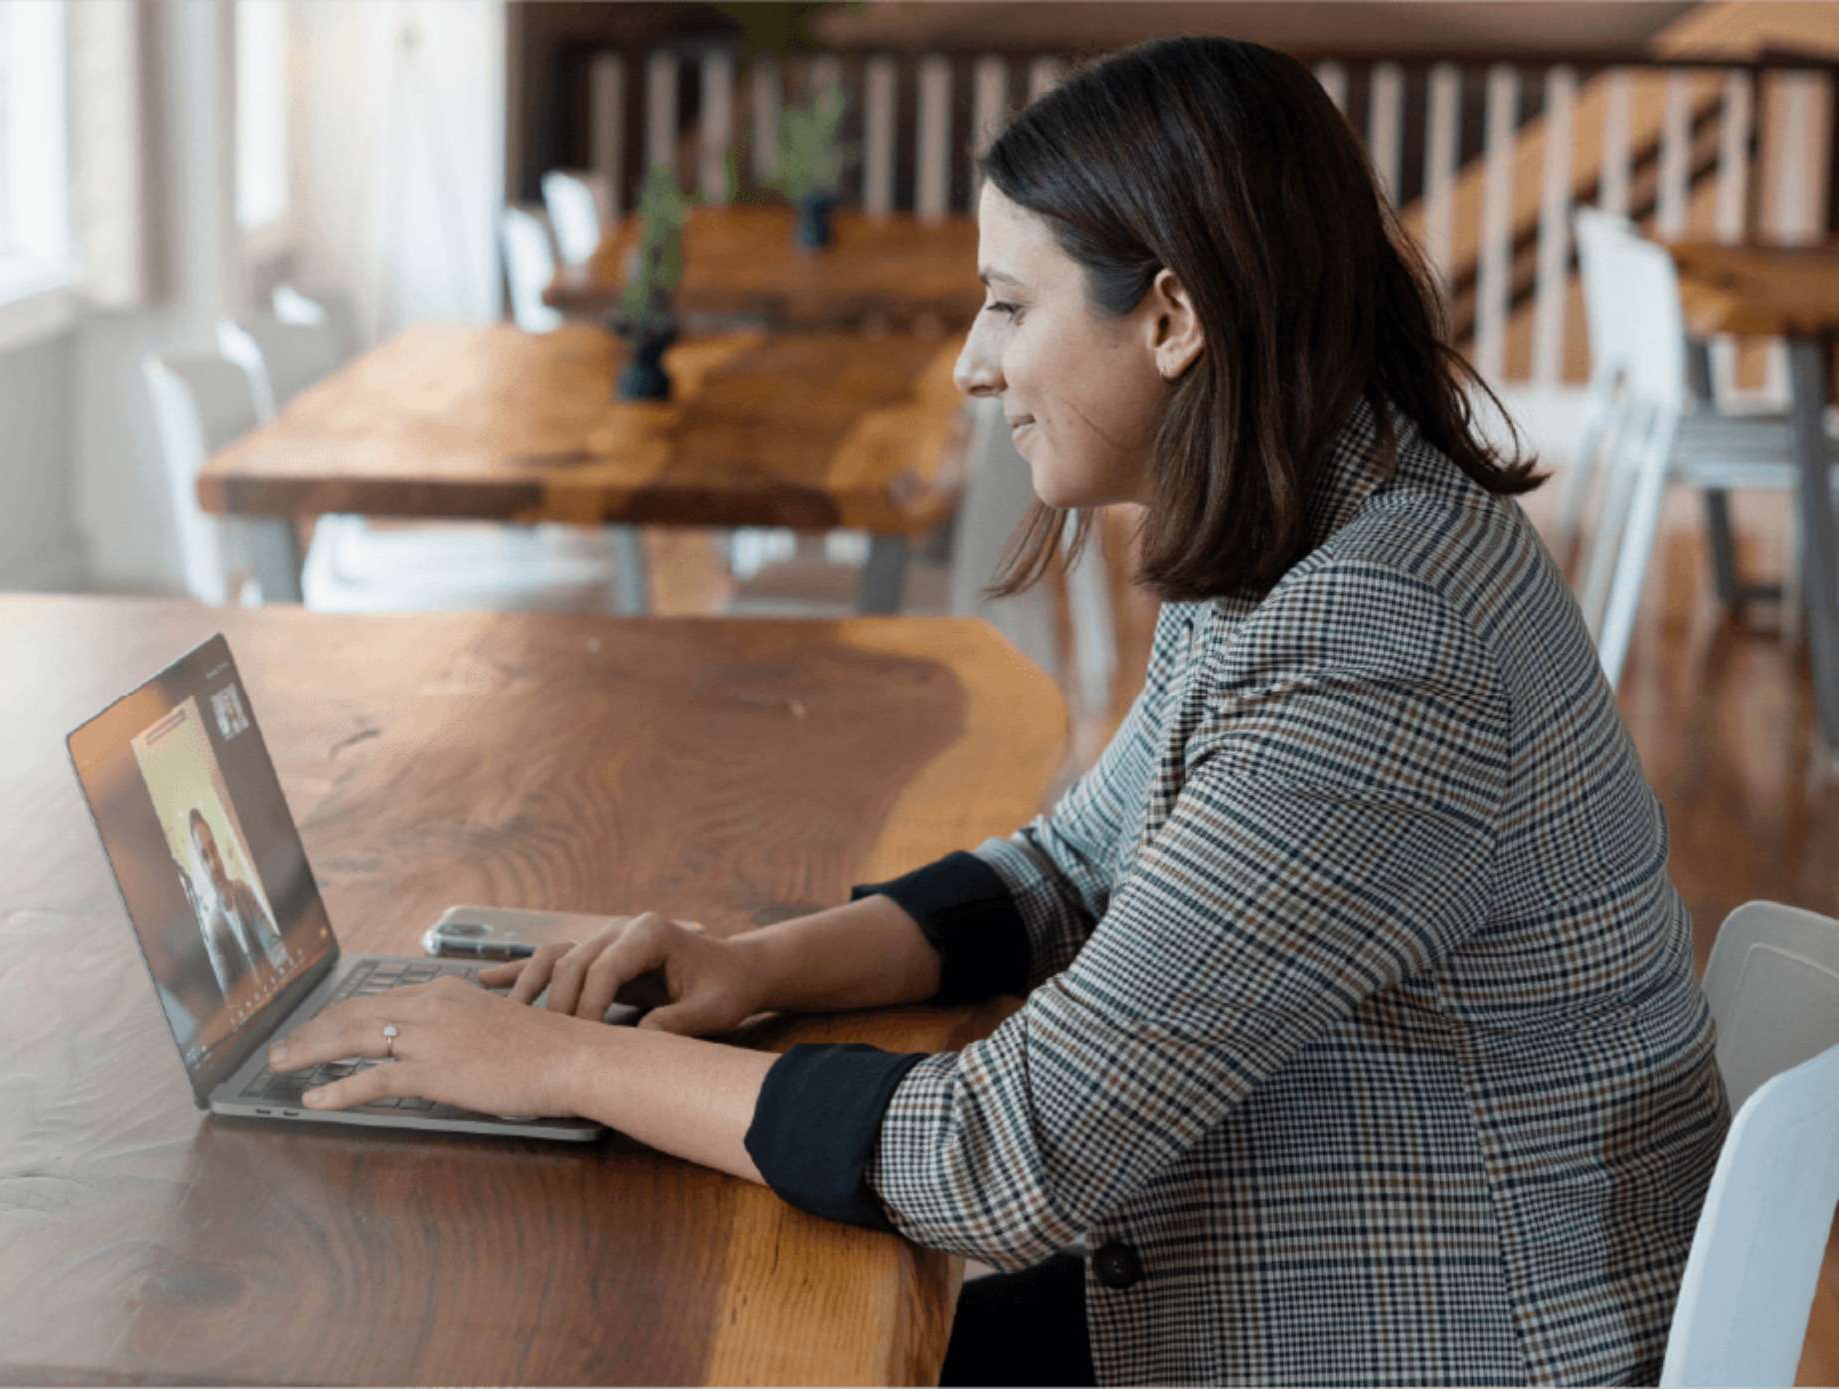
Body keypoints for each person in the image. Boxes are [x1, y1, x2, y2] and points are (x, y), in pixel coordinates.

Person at [268, 35, 1729, 1387]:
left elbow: (1007, 1155)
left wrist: (562, 1065)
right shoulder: (1315, 517)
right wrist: (751, 963)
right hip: (1316, 1277)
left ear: (1171, 318)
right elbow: (1072, 866)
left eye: (1011, 306)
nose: (974, 362)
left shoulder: (1384, 636)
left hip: (1454, 1342)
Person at [188, 806, 289, 976]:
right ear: (201, 866)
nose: (213, 864)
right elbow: (229, 993)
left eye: (213, 850)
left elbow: (271, 942)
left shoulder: (242, 891)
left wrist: (289, 966)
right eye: (205, 856)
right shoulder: (214, 928)